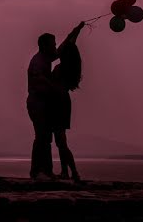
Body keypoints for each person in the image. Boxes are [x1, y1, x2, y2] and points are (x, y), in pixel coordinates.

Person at [26, 21, 85, 180]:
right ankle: (38, 171)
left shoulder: (48, 57)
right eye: (52, 44)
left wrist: (75, 31)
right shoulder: (39, 61)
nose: (55, 46)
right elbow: (39, 78)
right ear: (44, 46)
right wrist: (54, 86)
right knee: (42, 137)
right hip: (37, 102)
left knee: (46, 138)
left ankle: (46, 170)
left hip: (46, 103)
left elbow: (65, 46)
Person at [51, 24, 84, 181]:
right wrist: (77, 30)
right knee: (60, 141)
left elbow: (65, 45)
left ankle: (73, 171)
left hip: (58, 104)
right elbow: (69, 42)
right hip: (63, 103)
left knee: (61, 142)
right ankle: (66, 171)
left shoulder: (61, 70)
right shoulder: (70, 67)